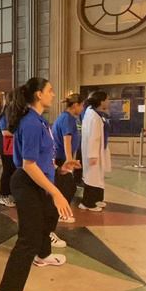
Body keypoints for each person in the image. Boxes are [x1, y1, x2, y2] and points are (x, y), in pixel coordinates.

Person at [0, 78, 76, 291]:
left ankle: (43, 255)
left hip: (40, 180)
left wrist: (61, 167)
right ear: (38, 94)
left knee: (47, 219)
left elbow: (41, 157)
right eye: (50, 90)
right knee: (28, 237)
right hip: (27, 183)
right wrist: (56, 192)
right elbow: (28, 164)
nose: (53, 93)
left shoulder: (40, 121)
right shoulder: (30, 123)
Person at [52, 93, 83, 223]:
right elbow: (67, 140)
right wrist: (69, 160)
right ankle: (60, 213)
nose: (82, 108)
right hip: (61, 158)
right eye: (81, 105)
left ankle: (60, 212)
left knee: (65, 187)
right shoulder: (68, 119)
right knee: (68, 188)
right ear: (75, 105)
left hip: (62, 157)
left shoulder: (67, 117)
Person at [80, 91, 111, 212]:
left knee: (97, 176)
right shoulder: (93, 116)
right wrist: (92, 155)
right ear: (101, 101)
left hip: (96, 151)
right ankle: (88, 203)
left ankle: (97, 199)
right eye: (107, 99)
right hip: (93, 153)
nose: (109, 102)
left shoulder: (94, 114)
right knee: (92, 177)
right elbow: (93, 137)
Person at [0, 92, 16, 208]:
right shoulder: (4, 116)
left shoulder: (11, 115)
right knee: (7, 171)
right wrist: (20, 134)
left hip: (12, 148)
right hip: (6, 149)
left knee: (12, 171)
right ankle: (4, 196)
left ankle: (10, 193)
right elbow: (5, 132)